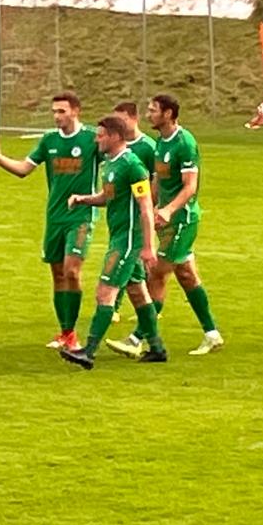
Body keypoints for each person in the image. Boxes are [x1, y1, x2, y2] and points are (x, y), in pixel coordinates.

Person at [0, 92, 99, 351]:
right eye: (54, 111)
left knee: (71, 271)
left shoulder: (92, 139)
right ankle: (66, 332)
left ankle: (73, 334)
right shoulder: (49, 140)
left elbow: (117, 158)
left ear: (76, 111)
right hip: (54, 217)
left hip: (81, 216)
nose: (56, 116)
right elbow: (24, 169)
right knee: (58, 274)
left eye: (62, 111)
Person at [108, 94, 223, 358]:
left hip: (182, 220)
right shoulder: (160, 142)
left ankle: (137, 338)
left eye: (153, 110)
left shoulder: (185, 143)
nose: (148, 114)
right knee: (187, 276)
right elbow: (158, 181)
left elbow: (190, 186)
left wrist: (169, 210)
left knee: (157, 275)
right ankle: (212, 334)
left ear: (168, 114)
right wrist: (149, 208)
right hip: (165, 219)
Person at [59, 115, 165, 369]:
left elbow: (146, 208)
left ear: (116, 136)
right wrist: (84, 199)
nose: (96, 140)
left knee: (105, 292)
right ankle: (157, 348)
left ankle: (89, 351)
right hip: (118, 236)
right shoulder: (110, 164)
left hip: (128, 241)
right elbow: (108, 197)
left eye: (101, 135)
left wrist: (148, 247)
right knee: (138, 293)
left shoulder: (133, 166)